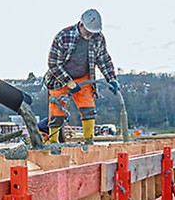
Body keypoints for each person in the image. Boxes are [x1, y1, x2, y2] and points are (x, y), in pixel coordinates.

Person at [44, 9, 119, 147]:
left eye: (93, 32)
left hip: (83, 78)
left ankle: (89, 142)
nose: (90, 35)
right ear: (81, 25)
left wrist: (112, 78)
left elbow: (103, 59)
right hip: (59, 78)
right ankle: (53, 144)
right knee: (57, 113)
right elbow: (53, 63)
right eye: (88, 31)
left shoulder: (98, 38)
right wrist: (69, 82)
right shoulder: (63, 36)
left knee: (88, 109)